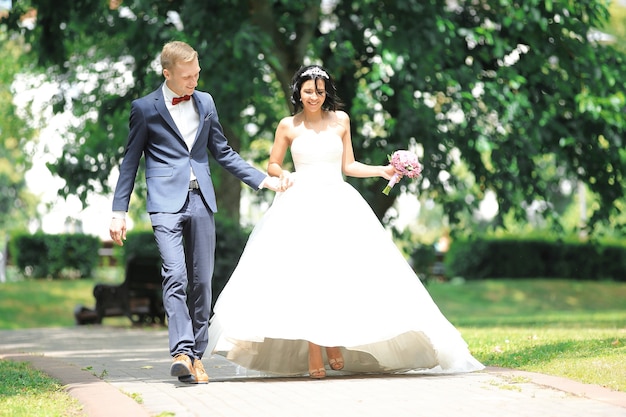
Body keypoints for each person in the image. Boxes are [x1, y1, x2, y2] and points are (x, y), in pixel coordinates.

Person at [207, 64, 484, 378]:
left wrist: (382, 170)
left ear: (327, 93)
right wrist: (280, 173)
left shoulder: (341, 121)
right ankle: (315, 348)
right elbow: (273, 163)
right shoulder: (288, 125)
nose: (314, 97)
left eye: (320, 91)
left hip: (338, 201)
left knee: (338, 273)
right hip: (299, 204)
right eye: (309, 91)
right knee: (306, 276)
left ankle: (333, 340)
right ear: (298, 91)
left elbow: (349, 165)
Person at [108, 41, 284, 384]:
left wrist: (263, 181)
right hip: (164, 203)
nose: (194, 81)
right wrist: (119, 211)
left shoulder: (205, 102)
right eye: (187, 76)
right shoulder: (144, 109)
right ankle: (181, 352)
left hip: (201, 199)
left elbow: (223, 151)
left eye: (197, 74)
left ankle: (196, 357)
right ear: (167, 73)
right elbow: (130, 162)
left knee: (202, 281)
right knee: (176, 276)